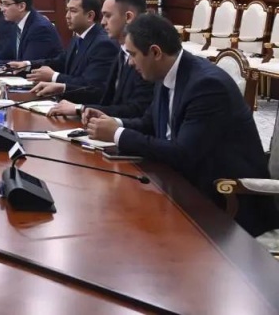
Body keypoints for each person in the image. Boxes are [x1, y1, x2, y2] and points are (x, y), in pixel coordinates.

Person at [85, 14, 279, 236]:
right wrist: (112, 122)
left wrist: (117, 134)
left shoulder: (207, 85)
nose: (129, 62)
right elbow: (149, 123)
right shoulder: (166, 73)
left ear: (155, 52)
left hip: (224, 199)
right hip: (183, 182)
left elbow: (183, 154)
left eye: (133, 54)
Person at [48, 0, 154, 118]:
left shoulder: (146, 56)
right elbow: (102, 94)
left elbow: (136, 110)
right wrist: (63, 88)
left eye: (108, 16)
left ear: (128, 17)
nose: (103, 22)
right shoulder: (122, 51)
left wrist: (80, 108)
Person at [19, 0, 117, 98]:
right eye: (67, 10)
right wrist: (27, 64)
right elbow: (60, 61)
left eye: (73, 11)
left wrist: (54, 76)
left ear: (90, 16)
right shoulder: (78, 37)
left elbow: (90, 85)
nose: (67, 16)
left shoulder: (103, 44)